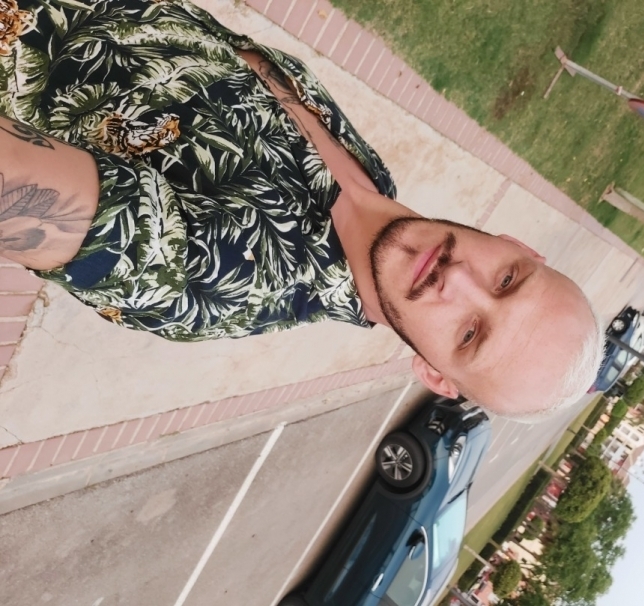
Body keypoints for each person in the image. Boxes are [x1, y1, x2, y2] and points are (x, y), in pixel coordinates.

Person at [0, 0, 603, 419]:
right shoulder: (373, 180)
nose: (459, 280)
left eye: (470, 335)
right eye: (507, 280)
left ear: (434, 374)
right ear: (519, 248)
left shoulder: (225, 280)